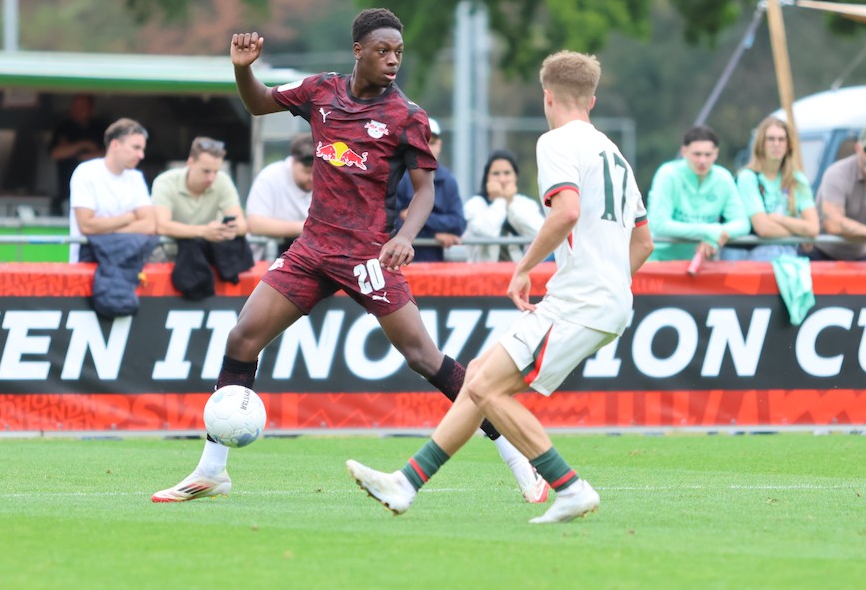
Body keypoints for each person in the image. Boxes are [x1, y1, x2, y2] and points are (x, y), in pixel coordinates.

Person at [152, 7, 547, 504]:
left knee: (424, 357)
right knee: (243, 336)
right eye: (383, 50)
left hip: (368, 256)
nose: (392, 60)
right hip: (313, 248)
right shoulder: (322, 92)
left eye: (399, 53)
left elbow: (424, 192)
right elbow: (257, 105)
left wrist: (405, 235)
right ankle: (212, 470)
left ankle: (517, 453)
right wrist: (242, 68)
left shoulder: (407, 117)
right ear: (358, 50)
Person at [346, 50, 655, 524]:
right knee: (477, 378)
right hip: (601, 299)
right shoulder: (615, 154)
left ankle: (569, 487)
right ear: (591, 100)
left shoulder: (556, 143)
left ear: (547, 96)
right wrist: (610, 284)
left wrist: (524, 267)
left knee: (489, 390)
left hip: (580, 300)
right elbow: (644, 241)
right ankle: (406, 483)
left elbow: (566, 211)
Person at [647, 125, 750, 261]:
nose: (702, 160)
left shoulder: (724, 178)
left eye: (708, 155)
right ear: (684, 151)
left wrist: (715, 235)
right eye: (697, 154)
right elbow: (659, 225)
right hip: (658, 260)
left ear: (716, 153)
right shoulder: (667, 174)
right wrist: (709, 231)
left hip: (699, 263)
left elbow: (743, 223)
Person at [728, 117, 818, 261]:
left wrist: (779, 219)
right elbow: (763, 228)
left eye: (781, 139)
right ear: (761, 144)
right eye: (771, 139)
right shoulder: (748, 177)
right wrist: (800, 233)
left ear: (788, 145)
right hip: (750, 261)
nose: (776, 144)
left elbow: (813, 228)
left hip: (789, 258)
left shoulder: (797, 179)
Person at [68, 118, 155, 263]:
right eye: (136, 148)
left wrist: (104, 232)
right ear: (115, 145)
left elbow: (150, 225)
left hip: (126, 264)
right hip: (88, 264)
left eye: (142, 149)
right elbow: (86, 226)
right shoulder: (86, 172)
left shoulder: (136, 177)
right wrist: (129, 218)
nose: (141, 155)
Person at [151, 136, 247, 260]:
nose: (211, 178)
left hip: (207, 256)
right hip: (169, 256)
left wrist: (229, 230)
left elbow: (242, 225)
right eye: (206, 171)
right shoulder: (165, 182)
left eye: (215, 171)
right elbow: (162, 226)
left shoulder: (223, 180)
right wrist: (204, 231)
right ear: (190, 163)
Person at [395, 117, 465, 262]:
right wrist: (435, 235)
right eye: (423, 142)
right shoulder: (399, 178)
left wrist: (412, 217)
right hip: (400, 264)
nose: (427, 148)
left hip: (433, 266)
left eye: (431, 143)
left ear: (439, 145)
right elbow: (391, 223)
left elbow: (458, 224)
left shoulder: (448, 181)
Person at [462, 150, 545, 262]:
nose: (502, 180)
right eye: (496, 174)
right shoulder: (474, 204)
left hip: (516, 273)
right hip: (482, 274)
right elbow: (487, 231)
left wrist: (511, 204)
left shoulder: (526, 204)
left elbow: (540, 232)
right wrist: (500, 200)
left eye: (507, 173)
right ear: (487, 177)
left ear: (516, 176)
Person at [245, 133, 314, 260]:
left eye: (317, 173)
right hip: (273, 252)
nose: (312, 178)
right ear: (293, 161)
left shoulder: (327, 180)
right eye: (307, 172)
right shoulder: (270, 176)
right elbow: (255, 224)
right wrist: (308, 227)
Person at [809, 127, 866, 261]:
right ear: (857, 148)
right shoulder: (837, 174)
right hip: (822, 255)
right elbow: (833, 224)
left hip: (859, 256)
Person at [49, 94, 108, 216]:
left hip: (99, 194)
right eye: (75, 106)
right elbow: (55, 153)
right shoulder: (64, 128)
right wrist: (83, 145)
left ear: (91, 108)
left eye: (82, 107)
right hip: (67, 193)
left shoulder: (100, 128)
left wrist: (90, 157)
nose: (78, 110)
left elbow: (111, 153)